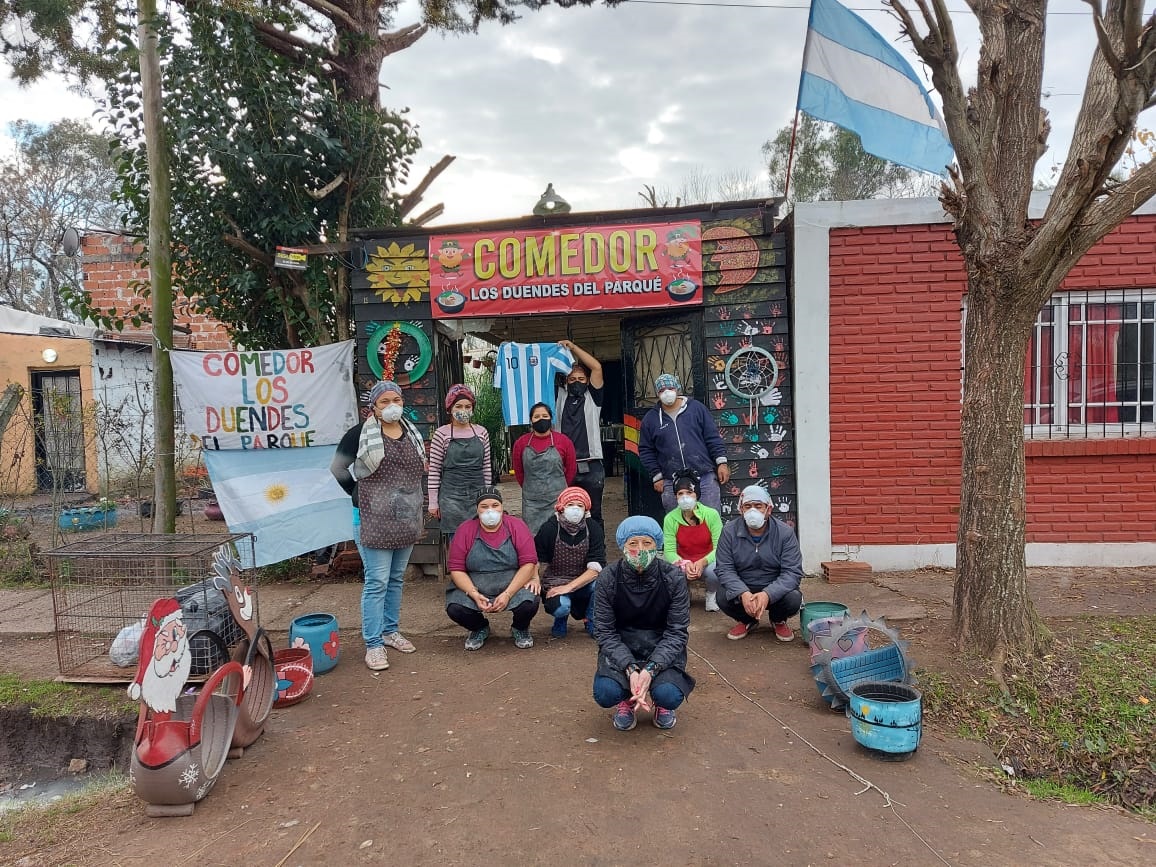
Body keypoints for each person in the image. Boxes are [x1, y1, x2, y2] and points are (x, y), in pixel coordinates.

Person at [331, 380, 427, 671]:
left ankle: (390, 631)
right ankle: (373, 644)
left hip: (406, 516)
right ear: (373, 406)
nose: (391, 406)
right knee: (377, 582)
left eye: (395, 400)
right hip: (372, 519)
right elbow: (337, 467)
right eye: (384, 401)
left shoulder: (411, 432)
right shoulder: (360, 434)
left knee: (396, 578)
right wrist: (357, 494)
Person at [591, 516, 695, 732]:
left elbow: (677, 632)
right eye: (633, 543)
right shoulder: (608, 578)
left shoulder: (674, 577)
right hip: (621, 645)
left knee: (669, 695)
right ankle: (626, 699)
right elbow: (604, 631)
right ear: (622, 546)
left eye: (647, 543)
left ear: (657, 545)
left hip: (662, 646)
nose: (640, 549)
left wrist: (650, 669)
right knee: (605, 692)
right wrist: (630, 668)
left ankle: (661, 703)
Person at [446, 486, 540, 651]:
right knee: (455, 607)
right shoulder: (465, 530)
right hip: (476, 582)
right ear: (477, 509)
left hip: (512, 581)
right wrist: (473, 594)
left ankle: (520, 628)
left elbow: (528, 563)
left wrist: (508, 594)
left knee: (529, 601)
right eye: (484, 506)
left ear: (502, 507)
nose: (490, 510)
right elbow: (456, 568)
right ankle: (479, 628)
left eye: (495, 505)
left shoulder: (516, 526)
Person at [713, 484, 803, 642]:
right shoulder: (729, 531)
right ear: (741, 509)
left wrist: (768, 594)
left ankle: (778, 620)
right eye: (747, 506)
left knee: (793, 599)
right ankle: (748, 620)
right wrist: (743, 593)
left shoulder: (785, 533)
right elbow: (724, 569)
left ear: (768, 509)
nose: (752, 511)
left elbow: (792, 572)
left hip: (774, 585)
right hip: (744, 585)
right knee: (722, 596)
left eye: (758, 506)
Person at [638, 372, 730, 513]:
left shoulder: (696, 409)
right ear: (657, 393)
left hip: (704, 476)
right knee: (678, 525)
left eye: (671, 388)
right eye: (662, 390)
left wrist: (721, 463)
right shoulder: (651, 419)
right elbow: (646, 450)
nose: (667, 393)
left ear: (677, 389)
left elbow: (712, 437)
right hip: (671, 480)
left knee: (710, 520)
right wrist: (656, 476)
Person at [535, 486, 605, 638]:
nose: (575, 510)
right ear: (561, 507)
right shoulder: (549, 529)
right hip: (555, 582)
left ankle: (591, 619)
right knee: (561, 607)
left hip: (584, 580)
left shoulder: (593, 528)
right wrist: (536, 581)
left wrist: (569, 587)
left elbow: (596, 567)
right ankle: (560, 620)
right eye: (570, 505)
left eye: (580, 506)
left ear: (586, 509)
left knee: (602, 584)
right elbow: (537, 560)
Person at [428, 383, 491, 538]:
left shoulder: (482, 432)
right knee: (457, 544)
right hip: (451, 498)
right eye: (459, 406)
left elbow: (487, 467)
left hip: (479, 495)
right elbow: (434, 470)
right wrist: (433, 502)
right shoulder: (441, 434)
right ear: (450, 408)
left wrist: (488, 495)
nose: (463, 410)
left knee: (480, 541)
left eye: (467, 406)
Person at [554, 339, 606, 521]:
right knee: (564, 512)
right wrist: (556, 353)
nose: (577, 382)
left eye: (581, 379)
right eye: (572, 378)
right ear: (566, 380)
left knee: (594, 513)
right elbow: (547, 372)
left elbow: (597, 368)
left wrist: (574, 348)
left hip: (591, 465)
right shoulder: (559, 396)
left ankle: (597, 550)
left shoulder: (593, 397)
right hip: (564, 464)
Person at [662, 469, 724, 612]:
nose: (685, 497)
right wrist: (685, 564)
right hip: (684, 561)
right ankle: (684, 594)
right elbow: (669, 551)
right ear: (676, 497)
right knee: (669, 570)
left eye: (689, 492)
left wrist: (702, 562)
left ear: (696, 494)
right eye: (680, 493)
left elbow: (719, 547)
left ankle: (711, 594)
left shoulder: (711, 515)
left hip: (708, 560)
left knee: (717, 569)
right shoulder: (670, 519)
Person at [512, 402, 578, 533]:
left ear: (550, 418)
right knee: (532, 537)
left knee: (558, 535)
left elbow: (571, 470)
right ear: (531, 420)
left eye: (544, 415)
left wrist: (560, 491)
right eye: (536, 417)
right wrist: (532, 489)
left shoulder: (564, 441)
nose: (541, 419)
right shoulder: (521, 443)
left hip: (558, 500)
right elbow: (519, 472)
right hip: (531, 503)